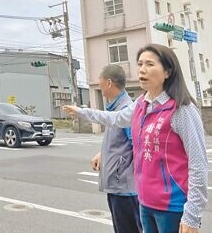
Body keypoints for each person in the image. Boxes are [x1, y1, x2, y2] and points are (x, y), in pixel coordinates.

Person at [64, 44, 208, 233]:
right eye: (140, 64)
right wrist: (82, 112)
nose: (142, 69)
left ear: (167, 72)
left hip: (172, 208)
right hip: (145, 203)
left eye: (150, 64)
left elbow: (198, 164)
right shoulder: (141, 104)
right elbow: (115, 118)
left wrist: (192, 215)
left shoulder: (182, 110)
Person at [90, 64, 142, 233]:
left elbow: (137, 146)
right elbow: (120, 142)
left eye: (100, 81)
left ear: (109, 83)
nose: (100, 86)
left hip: (125, 189)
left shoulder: (126, 111)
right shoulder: (116, 109)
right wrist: (102, 153)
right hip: (117, 187)